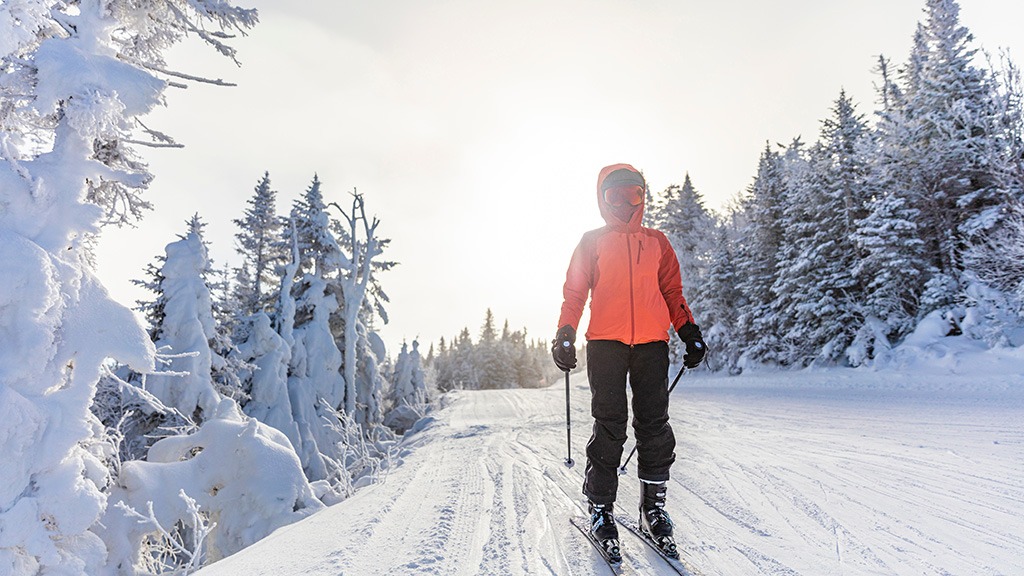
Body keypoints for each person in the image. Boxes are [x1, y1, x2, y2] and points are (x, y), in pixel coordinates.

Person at [552, 163, 706, 558]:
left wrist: (688, 331)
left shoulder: (657, 242)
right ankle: (601, 509)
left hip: (653, 345)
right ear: (602, 199)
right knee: (610, 424)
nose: (624, 203)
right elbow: (574, 292)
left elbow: (673, 292)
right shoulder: (592, 241)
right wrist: (565, 334)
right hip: (605, 344)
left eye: (633, 194)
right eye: (614, 196)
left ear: (643, 196)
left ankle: (652, 508)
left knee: (654, 425)